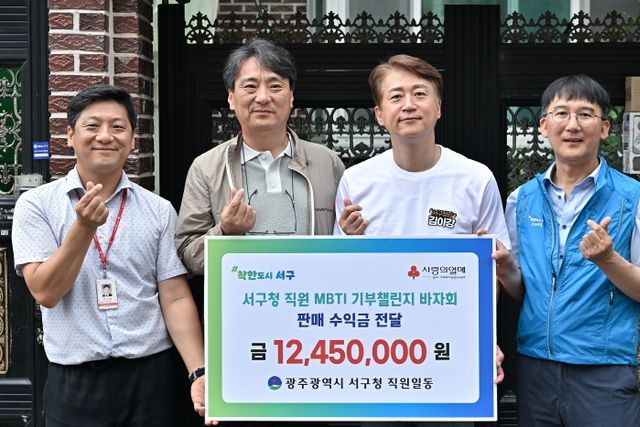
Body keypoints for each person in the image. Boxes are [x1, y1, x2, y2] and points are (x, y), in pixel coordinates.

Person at [12, 85, 213, 426]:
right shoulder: (37, 205)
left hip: (152, 377)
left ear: (132, 139)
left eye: (118, 127)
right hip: (75, 380)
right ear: (70, 136)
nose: (105, 136)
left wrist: (198, 372)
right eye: (92, 126)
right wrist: (83, 228)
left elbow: (175, 297)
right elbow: (45, 291)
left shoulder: (158, 210)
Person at [334, 55, 509, 425]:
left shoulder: (475, 178)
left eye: (420, 93)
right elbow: (342, 276)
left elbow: (492, 274)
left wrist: (484, 339)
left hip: (452, 351)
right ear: (379, 114)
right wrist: (348, 241)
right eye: (396, 96)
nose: (409, 104)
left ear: (439, 107)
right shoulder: (356, 181)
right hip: (376, 353)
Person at [501, 74, 640, 426]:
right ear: (544, 126)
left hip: (603, 370)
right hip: (536, 366)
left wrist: (609, 260)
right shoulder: (521, 200)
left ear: (604, 128)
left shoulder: (635, 199)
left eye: (585, 114)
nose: (572, 125)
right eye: (561, 113)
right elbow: (521, 290)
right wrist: (504, 270)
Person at [175, 38, 345, 275]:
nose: (263, 97)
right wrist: (225, 232)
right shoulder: (206, 167)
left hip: (313, 295)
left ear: (291, 97)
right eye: (250, 86)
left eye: (275, 86)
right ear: (231, 98)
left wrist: (352, 234)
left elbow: (347, 245)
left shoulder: (328, 162)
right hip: (243, 297)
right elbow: (186, 253)